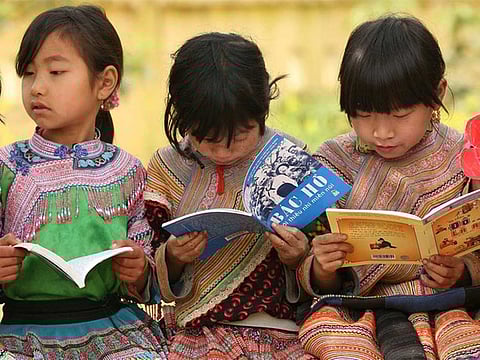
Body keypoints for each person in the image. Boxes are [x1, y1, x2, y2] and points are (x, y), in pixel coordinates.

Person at [296, 14, 480, 360]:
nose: (382, 132)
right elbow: (308, 263)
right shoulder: (330, 165)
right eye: (364, 114)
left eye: (399, 114)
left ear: (436, 94)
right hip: (359, 310)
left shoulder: (463, 159)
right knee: (333, 342)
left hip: (450, 307)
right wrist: (324, 267)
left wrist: (463, 271)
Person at [0, 5, 167, 359]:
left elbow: (146, 277)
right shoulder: (6, 166)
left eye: (56, 71)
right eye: (29, 74)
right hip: (20, 338)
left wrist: (136, 270)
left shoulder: (127, 170)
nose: (37, 87)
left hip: (112, 332)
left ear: (105, 82)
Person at [145, 32, 316, 359]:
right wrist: (174, 257)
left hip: (280, 331)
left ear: (262, 109)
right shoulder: (167, 168)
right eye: (207, 138)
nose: (224, 151)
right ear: (182, 118)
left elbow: (324, 256)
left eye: (240, 135)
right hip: (194, 331)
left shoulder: (288, 158)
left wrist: (298, 255)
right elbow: (147, 260)